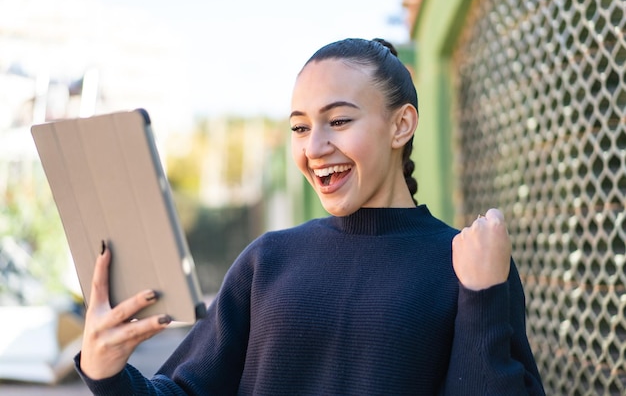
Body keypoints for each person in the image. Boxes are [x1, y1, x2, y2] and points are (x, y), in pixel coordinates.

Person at [74, 38, 545, 395]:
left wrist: (483, 296)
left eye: (339, 121)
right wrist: (106, 370)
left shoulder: (467, 265)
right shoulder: (268, 260)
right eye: (300, 126)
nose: (315, 148)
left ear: (401, 125)